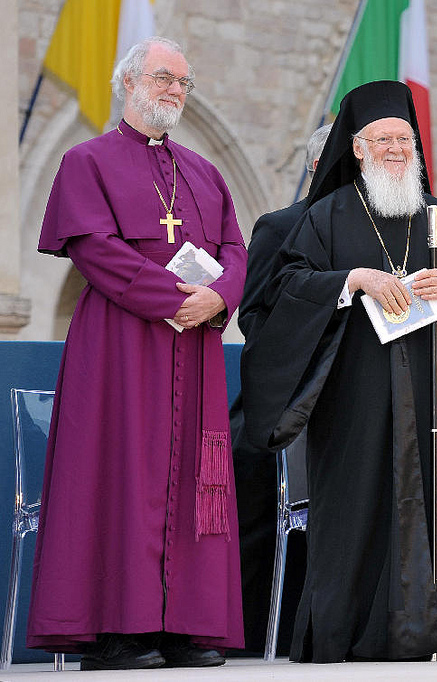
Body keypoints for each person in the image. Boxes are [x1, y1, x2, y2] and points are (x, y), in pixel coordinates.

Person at [239, 80, 437, 663]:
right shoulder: (326, 217)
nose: (394, 149)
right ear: (355, 148)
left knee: (425, 514)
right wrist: (351, 281)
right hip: (353, 395)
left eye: (403, 139)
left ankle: (421, 632)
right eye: (381, 139)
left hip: (428, 396)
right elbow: (282, 290)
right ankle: (342, 635)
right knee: (354, 510)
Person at [29, 36, 246, 670]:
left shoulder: (205, 172)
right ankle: (117, 629)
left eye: (184, 82)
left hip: (197, 349)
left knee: (192, 479)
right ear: (129, 83)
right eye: (163, 78)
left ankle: (186, 624)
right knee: (121, 472)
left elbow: (237, 251)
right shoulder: (86, 161)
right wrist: (175, 299)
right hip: (121, 345)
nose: (175, 90)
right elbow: (93, 248)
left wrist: (217, 299)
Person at [229, 124, 330, 654]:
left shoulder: (388, 233)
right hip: (290, 408)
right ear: (316, 165)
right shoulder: (280, 227)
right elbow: (254, 318)